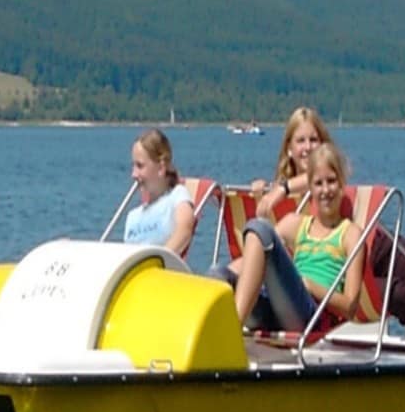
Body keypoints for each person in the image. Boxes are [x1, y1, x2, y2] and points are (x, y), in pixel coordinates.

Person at [218, 142, 361, 332]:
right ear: (310, 187)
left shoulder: (350, 233)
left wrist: (309, 286)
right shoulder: (296, 224)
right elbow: (257, 250)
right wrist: (229, 274)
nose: (326, 190)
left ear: (342, 184)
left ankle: (230, 333)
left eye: (332, 181)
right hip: (278, 311)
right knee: (218, 275)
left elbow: (350, 306)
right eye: (318, 183)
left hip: (311, 315)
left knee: (260, 228)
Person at [248, 106, 339, 223]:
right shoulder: (279, 192)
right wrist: (263, 191)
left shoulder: (333, 182)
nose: (308, 147)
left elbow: (315, 178)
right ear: (289, 149)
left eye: (313, 140)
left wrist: (283, 189)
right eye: (301, 140)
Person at [122, 128, 195, 257]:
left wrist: (159, 261)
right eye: (133, 166)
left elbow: (185, 230)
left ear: (161, 168)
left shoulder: (177, 196)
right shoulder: (133, 216)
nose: (133, 174)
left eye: (140, 166)